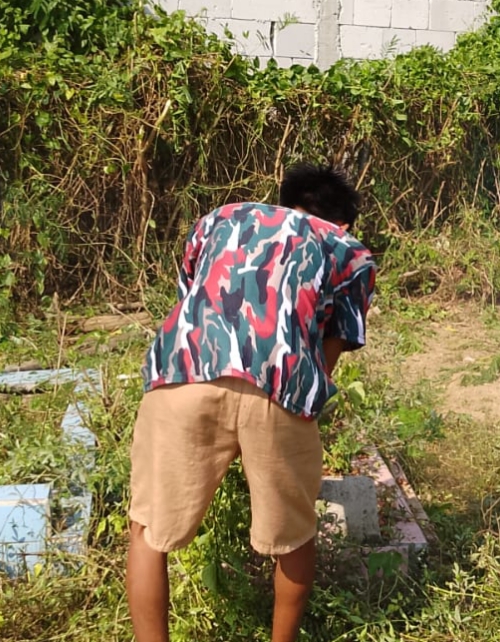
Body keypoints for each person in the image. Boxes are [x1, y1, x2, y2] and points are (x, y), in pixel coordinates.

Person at [125, 163, 377, 642]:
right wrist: (301, 395)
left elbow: (193, 299)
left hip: (184, 376)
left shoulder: (219, 218)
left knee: (148, 530)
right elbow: (335, 344)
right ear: (342, 223)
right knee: (295, 538)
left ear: (284, 202)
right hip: (276, 388)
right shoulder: (348, 250)